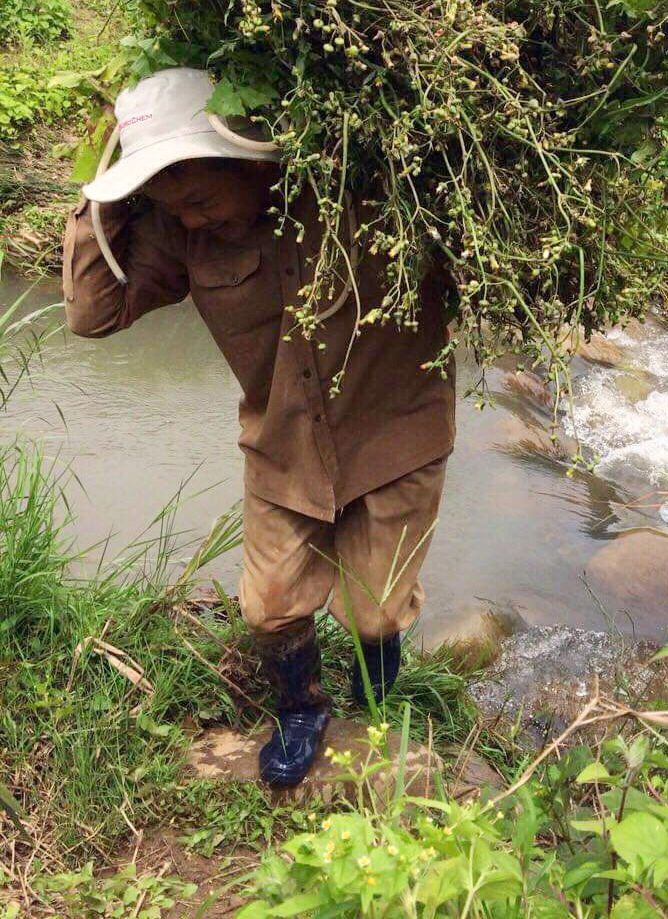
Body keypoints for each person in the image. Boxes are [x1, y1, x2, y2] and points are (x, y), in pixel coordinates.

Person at [63, 67, 456, 788]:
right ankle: (300, 708)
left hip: (393, 434)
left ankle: (376, 678)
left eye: (202, 199)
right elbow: (92, 313)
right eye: (169, 207)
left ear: (250, 158)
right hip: (284, 446)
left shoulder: (361, 191)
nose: (190, 220)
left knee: (374, 615)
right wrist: (103, 190)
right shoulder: (186, 240)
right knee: (270, 608)